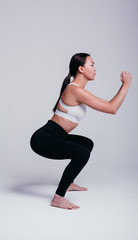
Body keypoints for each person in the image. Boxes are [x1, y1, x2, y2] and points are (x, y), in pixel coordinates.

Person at [30, 52, 132, 210]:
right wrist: (126, 84)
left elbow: (110, 104)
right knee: (82, 153)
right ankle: (58, 197)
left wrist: (123, 85)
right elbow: (112, 109)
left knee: (86, 144)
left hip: (57, 136)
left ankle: (68, 182)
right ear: (81, 69)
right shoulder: (75, 90)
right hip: (43, 139)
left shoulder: (78, 90)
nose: (95, 69)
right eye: (92, 65)